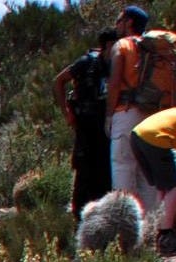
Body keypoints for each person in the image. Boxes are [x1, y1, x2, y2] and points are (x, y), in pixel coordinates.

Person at [106, 6, 176, 252]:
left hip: (126, 113)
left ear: (129, 22)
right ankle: (150, 236)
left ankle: (126, 239)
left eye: (120, 18)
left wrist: (109, 114)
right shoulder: (156, 51)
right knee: (147, 177)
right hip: (152, 116)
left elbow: (114, 84)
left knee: (123, 170)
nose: (117, 23)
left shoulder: (122, 46)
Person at [53, 26, 124, 221]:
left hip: (107, 127)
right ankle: (80, 220)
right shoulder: (87, 63)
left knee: (106, 173)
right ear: (109, 45)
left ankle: (102, 219)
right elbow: (59, 81)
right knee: (84, 172)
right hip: (86, 127)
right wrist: (67, 112)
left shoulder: (117, 66)